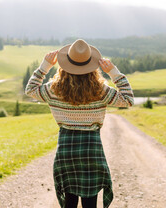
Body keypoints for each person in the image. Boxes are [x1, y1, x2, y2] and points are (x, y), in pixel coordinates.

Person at [25, 39, 134, 208]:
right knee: (90, 201)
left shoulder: (53, 89)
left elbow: (30, 89)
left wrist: (45, 66)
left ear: (64, 66)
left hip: (66, 148)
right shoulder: (100, 91)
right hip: (92, 148)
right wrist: (113, 72)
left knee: (70, 200)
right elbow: (128, 99)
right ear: (92, 68)